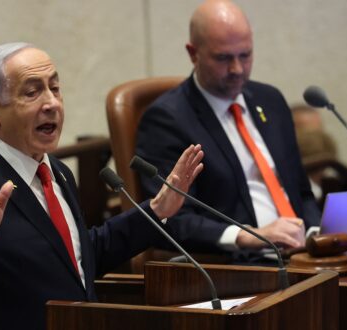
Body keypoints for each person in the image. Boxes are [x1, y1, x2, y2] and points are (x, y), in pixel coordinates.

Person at [0, 42, 204, 329]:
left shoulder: (58, 172)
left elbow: (77, 257)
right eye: (33, 92)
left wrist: (156, 210)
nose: (51, 103)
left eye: (55, 88)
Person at [136, 0, 321, 261]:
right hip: (241, 265)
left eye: (245, 55)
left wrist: (315, 234)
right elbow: (171, 218)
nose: (237, 69)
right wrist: (246, 236)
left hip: (304, 256)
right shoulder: (168, 119)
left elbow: (301, 191)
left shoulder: (271, 100)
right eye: (223, 58)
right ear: (193, 53)